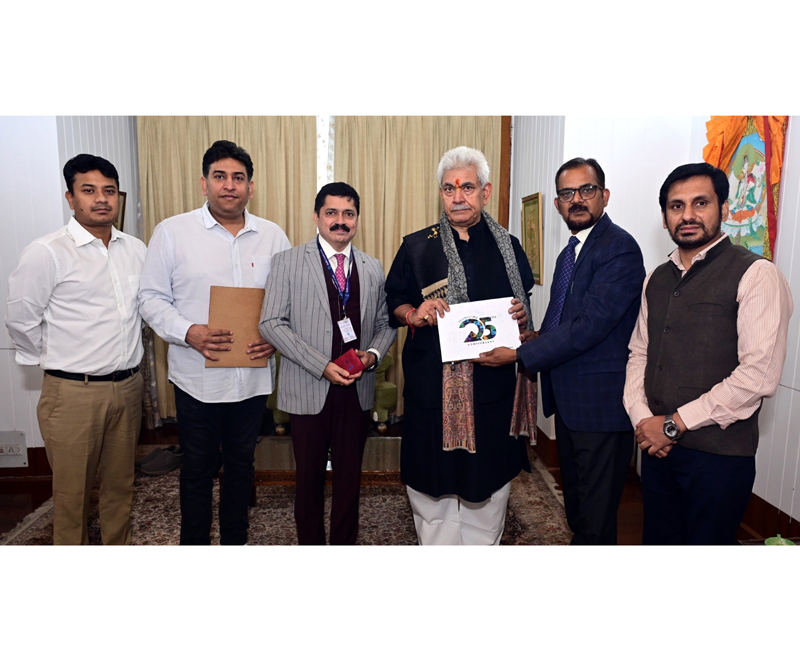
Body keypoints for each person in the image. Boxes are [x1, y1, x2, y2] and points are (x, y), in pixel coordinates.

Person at [477, 157, 645, 545]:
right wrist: (532, 336)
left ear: (604, 195)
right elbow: (566, 320)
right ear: (557, 204)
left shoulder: (618, 248)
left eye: (586, 190)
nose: (577, 200)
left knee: (595, 518)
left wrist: (519, 356)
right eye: (567, 193)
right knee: (579, 509)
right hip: (570, 402)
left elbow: (591, 325)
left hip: (600, 407)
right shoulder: (570, 251)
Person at [624, 162, 793, 544]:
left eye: (700, 203)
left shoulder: (757, 274)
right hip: (657, 452)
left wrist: (673, 425)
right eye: (676, 206)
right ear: (665, 216)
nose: (687, 215)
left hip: (718, 457)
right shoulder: (657, 278)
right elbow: (639, 353)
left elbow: (758, 376)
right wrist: (644, 422)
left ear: (724, 208)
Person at [138, 140, 291, 545]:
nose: (229, 186)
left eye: (238, 178)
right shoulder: (172, 232)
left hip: (251, 379)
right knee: (198, 469)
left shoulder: (273, 236)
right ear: (203, 183)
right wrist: (188, 331)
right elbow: (150, 298)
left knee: (242, 467)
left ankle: (235, 543)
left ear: (250, 187)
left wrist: (275, 340)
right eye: (220, 177)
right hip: (196, 379)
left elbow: (287, 301)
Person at [385, 146, 534, 545]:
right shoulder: (418, 247)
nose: (458, 196)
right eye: (449, 188)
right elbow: (394, 301)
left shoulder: (509, 247)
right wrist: (414, 314)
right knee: (432, 491)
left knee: (488, 488)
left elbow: (523, 304)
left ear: (485, 193)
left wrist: (520, 314)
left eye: (467, 187)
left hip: (493, 391)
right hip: (434, 392)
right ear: (441, 194)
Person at [5, 154, 146, 545]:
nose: (101, 199)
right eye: (88, 191)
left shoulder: (135, 248)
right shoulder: (47, 252)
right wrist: (57, 363)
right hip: (72, 394)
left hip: (128, 388)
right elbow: (20, 319)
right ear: (70, 198)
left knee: (121, 486)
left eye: (109, 190)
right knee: (72, 496)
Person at [259, 182, 396, 545]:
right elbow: (270, 323)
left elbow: (385, 324)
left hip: (357, 390)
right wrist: (320, 365)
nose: (340, 221)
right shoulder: (287, 262)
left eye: (348, 214)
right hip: (308, 388)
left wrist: (373, 356)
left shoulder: (372, 267)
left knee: (350, 480)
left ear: (357, 220)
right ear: (317, 216)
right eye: (331, 213)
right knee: (308, 480)